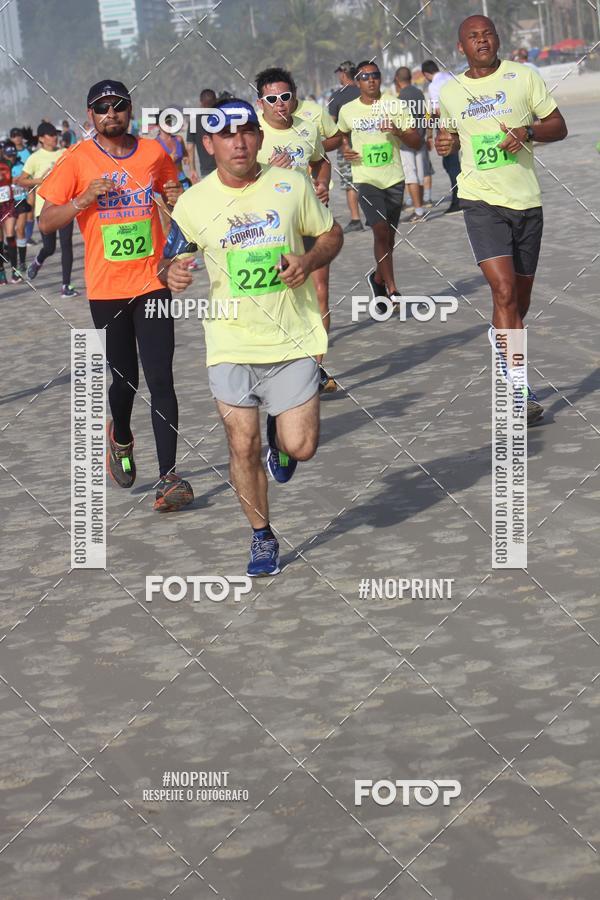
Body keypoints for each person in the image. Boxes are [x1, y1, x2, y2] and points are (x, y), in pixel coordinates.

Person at [159, 98, 343, 575]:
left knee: (301, 446)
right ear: (209, 144)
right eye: (226, 134)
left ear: (260, 137)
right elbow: (168, 259)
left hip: (293, 337)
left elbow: (331, 235)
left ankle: (280, 439)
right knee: (240, 447)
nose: (238, 141)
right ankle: (262, 537)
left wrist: (307, 260)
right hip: (230, 342)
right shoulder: (195, 203)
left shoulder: (290, 185)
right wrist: (171, 276)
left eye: (246, 131)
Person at [37, 79, 194, 510]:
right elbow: (47, 221)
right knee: (125, 379)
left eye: (119, 105)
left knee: (161, 376)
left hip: (152, 282)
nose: (111, 113)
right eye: (102, 107)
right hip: (106, 290)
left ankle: (169, 476)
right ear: (90, 115)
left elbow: (172, 194)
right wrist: (83, 198)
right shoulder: (77, 159)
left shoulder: (153, 153)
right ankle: (120, 435)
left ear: (130, 109)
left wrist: (177, 201)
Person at [436, 15, 567, 425]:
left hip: (526, 201)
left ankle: (502, 340)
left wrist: (528, 132)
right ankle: (518, 387)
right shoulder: (452, 92)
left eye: (487, 34)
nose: (482, 41)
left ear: (498, 39)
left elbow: (558, 126)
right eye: (472, 36)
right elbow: (446, 138)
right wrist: (443, 142)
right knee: (505, 293)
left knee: (518, 303)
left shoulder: (524, 77)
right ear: (461, 48)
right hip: (480, 202)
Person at [255, 66, 336, 393]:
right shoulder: (252, 134)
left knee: (319, 295)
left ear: (295, 97)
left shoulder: (306, 128)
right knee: (278, 298)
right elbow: (235, 179)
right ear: (260, 102)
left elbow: (322, 161)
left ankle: (314, 370)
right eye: (271, 98)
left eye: (285, 97)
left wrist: (322, 184)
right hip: (270, 226)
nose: (279, 104)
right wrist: (268, 172)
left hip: (309, 220)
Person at [337, 60, 421, 303]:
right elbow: (341, 133)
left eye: (374, 75)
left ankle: (377, 280)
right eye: (364, 77)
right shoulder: (348, 110)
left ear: (380, 78)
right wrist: (345, 148)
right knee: (380, 230)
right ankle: (393, 290)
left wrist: (398, 131)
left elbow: (416, 142)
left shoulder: (395, 105)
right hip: (366, 179)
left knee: (389, 237)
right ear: (357, 81)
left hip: (394, 178)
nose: (370, 80)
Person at [17, 123, 78, 296]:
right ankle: (38, 260)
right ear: (42, 138)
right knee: (49, 248)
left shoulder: (64, 154)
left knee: (67, 245)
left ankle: (66, 285)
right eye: (51, 135)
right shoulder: (35, 158)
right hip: (44, 209)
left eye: (55, 134)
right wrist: (41, 180)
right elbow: (21, 180)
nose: (55, 137)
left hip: (65, 206)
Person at [394, 66, 433, 223]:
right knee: (421, 174)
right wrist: (428, 134)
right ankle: (420, 208)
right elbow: (427, 114)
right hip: (421, 139)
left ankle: (418, 212)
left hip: (407, 142)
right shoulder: (418, 93)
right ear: (410, 77)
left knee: (411, 177)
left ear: (397, 79)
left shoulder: (400, 97)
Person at [422, 59, 461, 214]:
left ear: (426, 74)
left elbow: (436, 111)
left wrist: (429, 129)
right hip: (463, 124)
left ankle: (458, 200)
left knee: (451, 165)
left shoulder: (433, 86)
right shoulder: (451, 77)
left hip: (447, 128)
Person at [328, 60, 363, 232]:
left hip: (346, 147)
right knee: (370, 180)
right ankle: (376, 216)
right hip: (368, 142)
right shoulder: (363, 91)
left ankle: (356, 219)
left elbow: (331, 124)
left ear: (343, 74)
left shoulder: (336, 96)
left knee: (350, 184)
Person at [9, 128, 33, 266]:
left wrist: (24, 181)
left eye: (18, 136)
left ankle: (22, 260)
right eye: (14, 136)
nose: (16, 138)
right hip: (8, 201)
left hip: (24, 194)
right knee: (11, 232)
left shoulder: (26, 153)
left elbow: (29, 173)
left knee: (21, 227)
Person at [185, 88, 218, 182]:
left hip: (206, 170)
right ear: (216, 101)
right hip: (226, 168)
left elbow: (190, 147)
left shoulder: (194, 122)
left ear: (201, 103)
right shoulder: (223, 119)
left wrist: (192, 170)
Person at [0, 141, 18, 285]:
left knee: (10, 235)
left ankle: (14, 270)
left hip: (7, 203)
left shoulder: (9, 163)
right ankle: (1, 272)